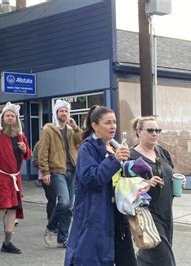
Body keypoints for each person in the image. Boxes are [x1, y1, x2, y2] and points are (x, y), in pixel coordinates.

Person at [64, 105, 134, 265]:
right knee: (93, 259)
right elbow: (90, 178)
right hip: (95, 213)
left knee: (126, 259)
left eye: (115, 122)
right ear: (94, 125)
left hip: (117, 214)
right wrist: (114, 160)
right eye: (108, 123)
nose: (113, 126)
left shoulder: (115, 146)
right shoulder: (87, 147)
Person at [0, 102, 31, 254]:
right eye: (7, 115)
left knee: (12, 208)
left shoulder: (20, 135)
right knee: (2, 207)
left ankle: (7, 243)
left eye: (13, 116)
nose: (10, 118)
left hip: (14, 178)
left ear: (16, 118)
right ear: (3, 118)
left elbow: (28, 155)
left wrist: (25, 150)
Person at [127, 116, 177, 266]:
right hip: (147, 213)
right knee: (164, 258)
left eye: (157, 130)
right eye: (150, 130)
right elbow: (125, 187)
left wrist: (177, 181)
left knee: (150, 256)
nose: (154, 133)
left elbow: (170, 173)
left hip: (166, 211)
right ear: (139, 132)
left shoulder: (161, 151)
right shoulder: (132, 156)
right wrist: (146, 183)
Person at [39, 100, 81, 247]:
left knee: (70, 207)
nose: (64, 113)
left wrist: (76, 127)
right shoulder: (48, 129)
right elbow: (43, 151)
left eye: (66, 111)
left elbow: (80, 142)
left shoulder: (71, 130)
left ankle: (63, 238)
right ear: (56, 113)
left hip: (72, 170)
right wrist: (45, 171)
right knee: (64, 202)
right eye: (61, 111)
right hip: (57, 170)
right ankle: (51, 227)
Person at [32, 140, 56, 221]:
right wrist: (45, 165)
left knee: (63, 200)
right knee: (52, 198)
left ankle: (56, 219)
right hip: (45, 175)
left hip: (59, 173)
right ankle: (51, 221)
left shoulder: (58, 142)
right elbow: (34, 161)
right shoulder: (39, 144)